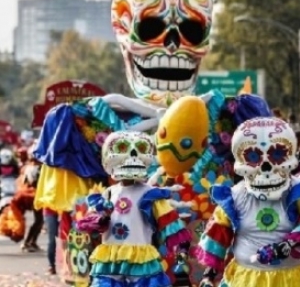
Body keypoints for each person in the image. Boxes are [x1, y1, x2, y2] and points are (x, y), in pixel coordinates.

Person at [76, 131, 191, 287]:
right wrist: (100, 219)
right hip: (111, 257)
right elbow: (90, 223)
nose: (132, 157)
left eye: (140, 149)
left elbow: (171, 226)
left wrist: (181, 253)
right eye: (122, 148)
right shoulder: (109, 193)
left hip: (141, 258)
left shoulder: (150, 194)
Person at [197, 117, 300, 287]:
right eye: (253, 156)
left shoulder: (297, 191)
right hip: (246, 279)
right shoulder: (234, 197)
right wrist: (208, 276)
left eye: (277, 154)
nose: (266, 168)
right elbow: (219, 236)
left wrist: (289, 242)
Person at [44, 207, 59, 275]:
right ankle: (51, 265)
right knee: (52, 239)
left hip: (66, 210)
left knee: (67, 238)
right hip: (50, 211)